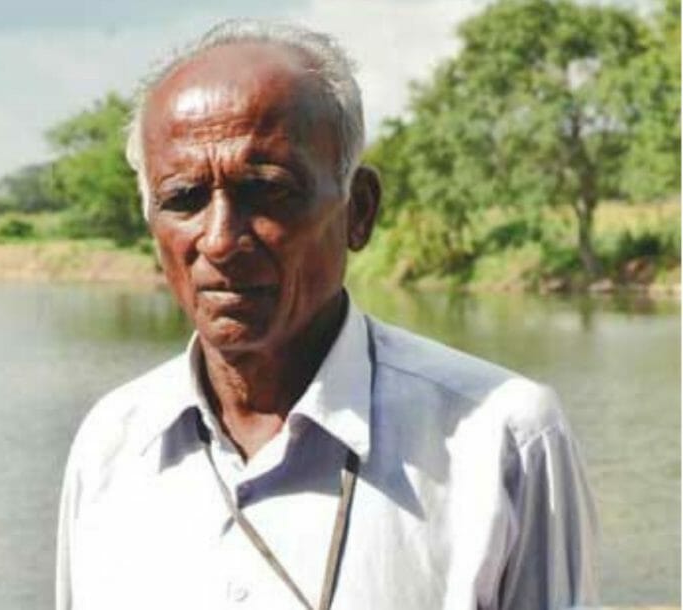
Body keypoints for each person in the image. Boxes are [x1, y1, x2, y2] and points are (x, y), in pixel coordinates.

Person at [56, 19, 598, 610]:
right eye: (184, 199)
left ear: (358, 211)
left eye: (267, 191)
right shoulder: (113, 442)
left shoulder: (502, 438)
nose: (219, 240)